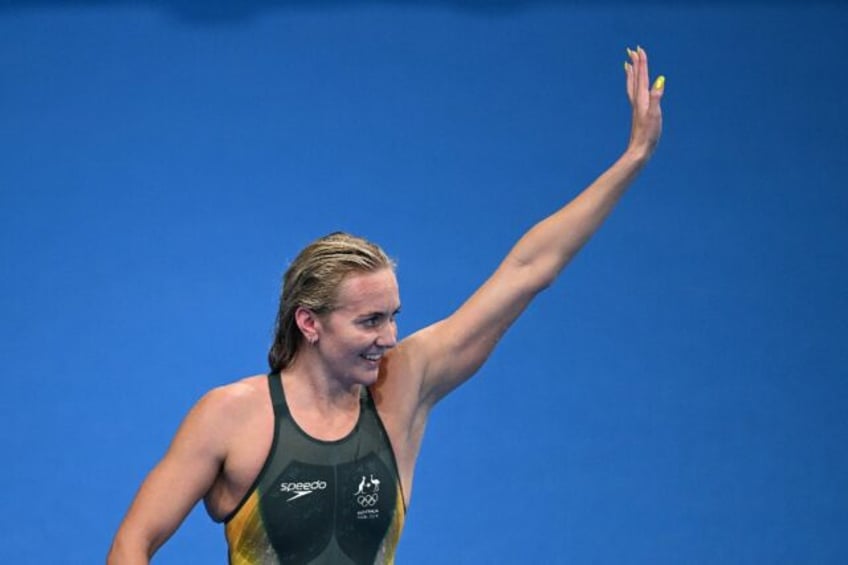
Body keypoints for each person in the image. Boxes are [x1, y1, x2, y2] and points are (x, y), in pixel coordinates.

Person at [108, 46, 665, 564]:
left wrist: (632, 159)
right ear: (310, 323)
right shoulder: (230, 417)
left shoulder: (405, 386)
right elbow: (136, 539)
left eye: (393, 316)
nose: (390, 337)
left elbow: (526, 272)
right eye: (369, 320)